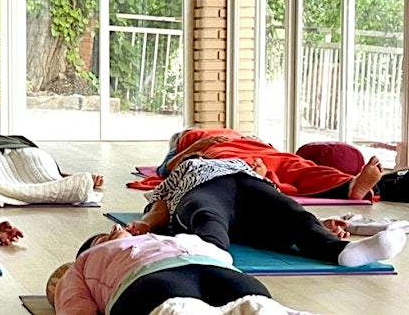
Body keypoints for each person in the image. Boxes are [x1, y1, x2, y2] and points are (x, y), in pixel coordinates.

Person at [129, 155, 406, 268]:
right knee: (207, 217)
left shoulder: (239, 163)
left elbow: (276, 202)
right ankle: (211, 256)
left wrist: (318, 224)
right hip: (205, 189)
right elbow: (160, 207)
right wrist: (145, 224)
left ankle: (343, 252)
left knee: (296, 215)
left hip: (251, 186)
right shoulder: (183, 171)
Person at [52, 226, 281, 315]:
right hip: (156, 280)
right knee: (257, 308)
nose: (115, 228)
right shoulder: (84, 261)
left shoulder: (177, 237)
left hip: (213, 272)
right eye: (102, 237)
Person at [155, 127, 383, 200]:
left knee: (300, 166)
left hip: (262, 150)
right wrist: (195, 146)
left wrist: (258, 142)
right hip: (225, 152)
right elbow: (165, 169)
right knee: (239, 166)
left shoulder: (238, 133)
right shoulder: (188, 138)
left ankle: (349, 185)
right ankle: (263, 179)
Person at [0, 123, 104, 208]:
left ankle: (66, 185)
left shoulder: (15, 139)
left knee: (35, 161)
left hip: (19, 150)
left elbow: (52, 172)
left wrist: (75, 178)